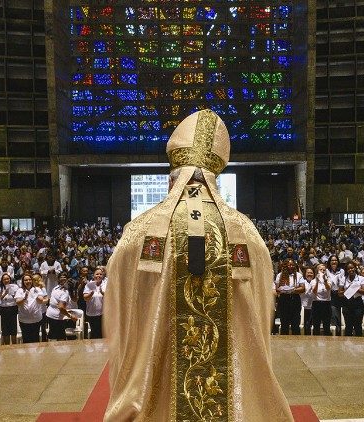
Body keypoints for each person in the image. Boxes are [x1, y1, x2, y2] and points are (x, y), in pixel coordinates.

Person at [105, 109, 293, 421]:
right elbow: (258, 316)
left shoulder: (141, 230)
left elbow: (121, 306)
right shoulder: (245, 232)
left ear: (173, 177)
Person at [274, 259, 304, 335]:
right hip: (284, 300)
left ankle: (296, 344)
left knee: (295, 324)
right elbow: (277, 289)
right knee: (284, 324)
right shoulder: (280, 275)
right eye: (289, 265)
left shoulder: (298, 275)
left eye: (293, 265)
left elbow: (303, 288)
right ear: (285, 266)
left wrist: (293, 290)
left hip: (295, 299)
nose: (291, 266)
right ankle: (285, 345)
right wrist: (283, 290)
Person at [15, 274, 45, 343]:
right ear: (23, 281)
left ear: (32, 281)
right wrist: (24, 297)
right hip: (24, 321)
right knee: (26, 341)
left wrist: (36, 295)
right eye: (26, 280)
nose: (28, 281)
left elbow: (40, 301)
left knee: (35, 340)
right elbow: (18, 303)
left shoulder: (37, 289)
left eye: (29, 279)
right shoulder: (20, 290)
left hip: (36, 320)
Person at [46, 272, 76, 340]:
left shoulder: (58, 288)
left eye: (65, 277)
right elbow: (61, 307)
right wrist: (71, 316)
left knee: (54, 336)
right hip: (57, 318)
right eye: (61, 277)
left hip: (52, 315)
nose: (63, 278)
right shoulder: (61, 291)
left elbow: (75, 299)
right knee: (60, 339)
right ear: (58, 279)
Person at [83, 267, 106, 339]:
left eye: (100, 274)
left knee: (101, 333)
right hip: (91, 313)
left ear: (103, 276)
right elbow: (85, 298)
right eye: (97, 274)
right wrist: (91, 294)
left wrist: (103, 293)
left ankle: (100, 349)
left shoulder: (105, 284)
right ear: (93, 275)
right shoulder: (89, 285)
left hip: (102, 314)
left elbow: (110, 297)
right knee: (94, 333)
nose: (98, 275)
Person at [0, 273, 19, 345]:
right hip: (3, 310)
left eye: (7, 279)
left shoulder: (15, 286)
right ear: (2, 280)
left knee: (13, 329)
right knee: (5, 330)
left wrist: (14, 295)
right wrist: (5, 293)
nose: (6, 280)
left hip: (13, 308)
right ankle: (7, 347)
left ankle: (14, 345)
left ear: (10, 279)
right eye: (4, 279)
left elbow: (18, 297)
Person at [310, 263, 332, 335]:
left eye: (324, 270)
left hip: (326, 304)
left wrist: (325, 281)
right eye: (321, 269)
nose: (322, 271)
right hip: (317, 304)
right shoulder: (313, 281)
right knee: (316, 325)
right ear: (317, 271)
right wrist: (317, 281)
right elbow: (314, 291)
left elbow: (328, 288)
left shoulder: (328, 280)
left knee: (327, 325)